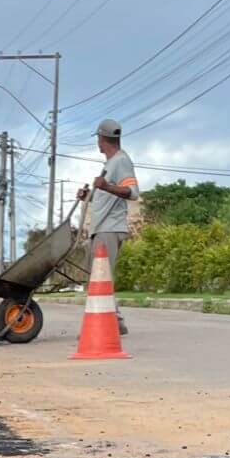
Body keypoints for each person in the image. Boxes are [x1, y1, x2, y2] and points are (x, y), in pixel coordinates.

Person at [76, 119, 138, 337]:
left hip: (110, 229)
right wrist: (89, 195)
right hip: (102, 228)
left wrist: (106, 186)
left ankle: (108, 325)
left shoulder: (121, 161)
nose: (98, 144)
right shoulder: (110, 164)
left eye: (99, 140)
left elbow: (132, 192)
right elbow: (105, 194)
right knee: (99, 276)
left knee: (101, 277)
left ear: (102, 139)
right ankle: (116, 321)